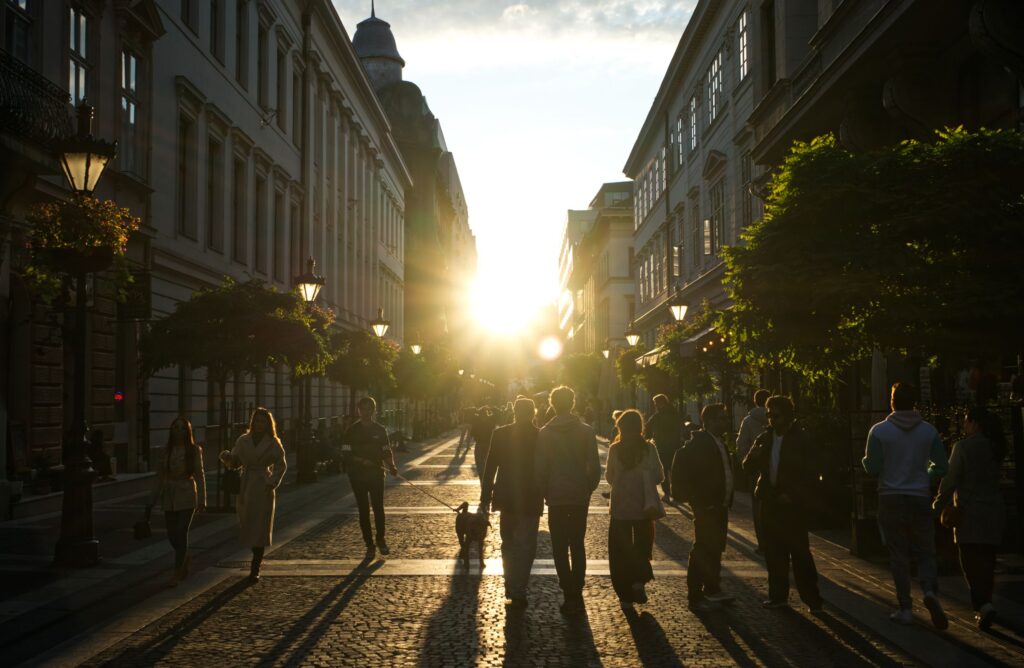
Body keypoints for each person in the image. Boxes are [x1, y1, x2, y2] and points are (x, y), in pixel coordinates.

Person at [863, 382, 949, 628]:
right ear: (914, 403)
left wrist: (867, 461)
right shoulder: (928, 431)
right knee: (926, 549)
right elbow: (942, 467)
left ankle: (905, 607)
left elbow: (873, 467)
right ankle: (930, 590)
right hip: (920, 496)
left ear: (892, 401)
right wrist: (924, 475)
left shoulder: (879, 431)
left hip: (890, 497)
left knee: (898, 553)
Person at [742, 395, 824, 611]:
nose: (771, 419)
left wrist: (794, 494)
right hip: (770, 501)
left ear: (787, 415)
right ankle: (778, 596)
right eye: (768, 415)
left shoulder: (802, 440)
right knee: (774, 552)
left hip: (792, 505)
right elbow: (747, 468)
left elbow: (811, 473)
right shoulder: (764, 438)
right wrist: (753, 455)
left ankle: (812, 599)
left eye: (775, 415)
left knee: (800, 553)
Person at [933, 407, 1007, 630]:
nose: (964, 426)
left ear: (974, 424)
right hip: (993, 511)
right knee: (988, 559)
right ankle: (987, 602)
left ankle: (982, 605)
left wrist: (937, 503)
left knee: (970, 561)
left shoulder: (963, 447)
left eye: (965, 422)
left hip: (969, 513)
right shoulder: (997, 447)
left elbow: (951, 479)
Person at [536, 385, 601, 615]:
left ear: (553, 404)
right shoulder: (586, 431)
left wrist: (545, 491)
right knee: (577, 543)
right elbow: (595, 467)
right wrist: (588, 488)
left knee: (560, 547)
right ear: (572, 402)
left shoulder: (545, 433)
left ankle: (568, 590)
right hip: (578, 496)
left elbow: (540, 468)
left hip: (556, 495)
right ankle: (577, 588)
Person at [480, 397, 543, 609]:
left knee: (508, 543)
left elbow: (490, 467)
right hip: (531, 497)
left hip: (506, 496)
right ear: (532, 412)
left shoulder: (500, 434)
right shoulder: (540, 435)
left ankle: (510, 582)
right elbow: (546, 468)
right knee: (526, 545)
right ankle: (519, 586)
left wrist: (485, 496)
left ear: (514, 411)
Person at [672, 403, 736, 611]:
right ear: (709, 421)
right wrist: (700, 499)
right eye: (721, 418)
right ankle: (696, 591)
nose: (726, 422)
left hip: (719, 504)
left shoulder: (718, 442)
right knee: (703, 547)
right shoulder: (701, 444)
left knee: (715, 547)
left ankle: (712, 587)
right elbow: (693, 472)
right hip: (708, 505)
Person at [220, 408, 287, 584]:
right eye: (256, 421)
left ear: (268, 424)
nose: (259, 425)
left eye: (263, 421)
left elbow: (281, 465)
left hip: (263, 487)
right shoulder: (243, 440)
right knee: (247, 524)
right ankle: (255, 558)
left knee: (260, 529)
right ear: (252, 422)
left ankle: (255, 568)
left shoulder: (273, 442)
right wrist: (227, 458)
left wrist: (272, 481)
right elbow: (235, 462)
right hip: (247, 485)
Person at [606, 409, 663, 611]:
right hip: (643, 507)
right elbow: (659, 477)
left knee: (619, 550)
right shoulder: (649, 449)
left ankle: (624, 594)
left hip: (621, 507)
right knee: (642, 545)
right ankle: (639, 581)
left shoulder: (615, 449)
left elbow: (609, 477)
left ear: (620, 427)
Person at [149, 417, 205, 587]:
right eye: (175, 427)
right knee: (172, 534)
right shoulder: (166, 451)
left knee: (181, 532)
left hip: (187, 493)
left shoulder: (194, 450)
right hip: (169, 495)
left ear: (187, 432)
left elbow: (199, 474)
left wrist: (202, 499)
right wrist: (151, 501)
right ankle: (185, 555)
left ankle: (176, 573)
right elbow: (159, 477)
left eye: (182, 428)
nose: (178, 430)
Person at [342, 396, 398, 559]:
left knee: (378, 507)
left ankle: (381, 539)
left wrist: (392, 465)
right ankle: (369, 544)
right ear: (358, 410)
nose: (366, 412)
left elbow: (386, 450)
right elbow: (346, 452)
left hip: (375, 474)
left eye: (369, 409)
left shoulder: (380, 430)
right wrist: (360, 460)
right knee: (363, 509)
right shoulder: (352, 431)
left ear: (373, 411)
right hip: (357, 475)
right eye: (363, 408)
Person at [736, 389, 770, 553]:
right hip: (774, 469)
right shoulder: (779, 419)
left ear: (755, 401)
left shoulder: (748, 421)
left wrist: (746, 463)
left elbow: (741, 445)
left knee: (757, 507)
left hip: (756, 469)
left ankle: (763, 543)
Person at [644, 394, 682, 502]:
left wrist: (646, 439)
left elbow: (648, 429)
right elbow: (680, 427)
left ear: (661, 403)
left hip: (662, 446)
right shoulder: (675, 414)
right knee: (674, 470)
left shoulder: (657, 416)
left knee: (664, 469)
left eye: (656, 403)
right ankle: (676, 493)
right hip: (675, 446)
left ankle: (666, 493)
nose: (655, 406)